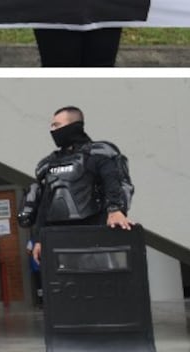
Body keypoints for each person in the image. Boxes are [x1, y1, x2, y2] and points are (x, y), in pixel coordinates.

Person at [21, 106, 135, 265]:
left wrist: (115, 209)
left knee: (101, 282)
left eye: (57, 125)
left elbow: (114, 181)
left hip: (95, 233)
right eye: (52, 126)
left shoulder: (98, 153)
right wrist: (39, 239)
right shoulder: (49, 163)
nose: (52, 130)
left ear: (74, 125)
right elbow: (45, 205)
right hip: (59, 239)